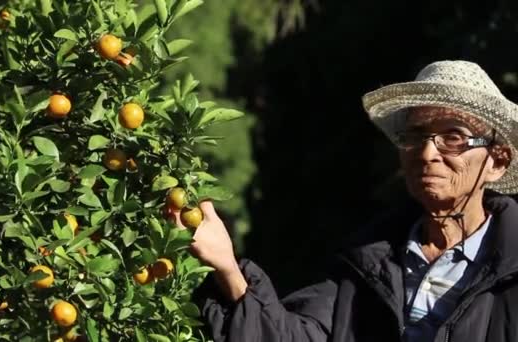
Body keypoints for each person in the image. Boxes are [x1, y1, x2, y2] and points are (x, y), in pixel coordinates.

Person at [172, 60, 518, 342]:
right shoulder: (368, 262)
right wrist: (227, 268)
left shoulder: (510, 271)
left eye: (453, 137)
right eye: (415, 136)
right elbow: (294, 336)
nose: (427, 153)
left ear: (497, 161)